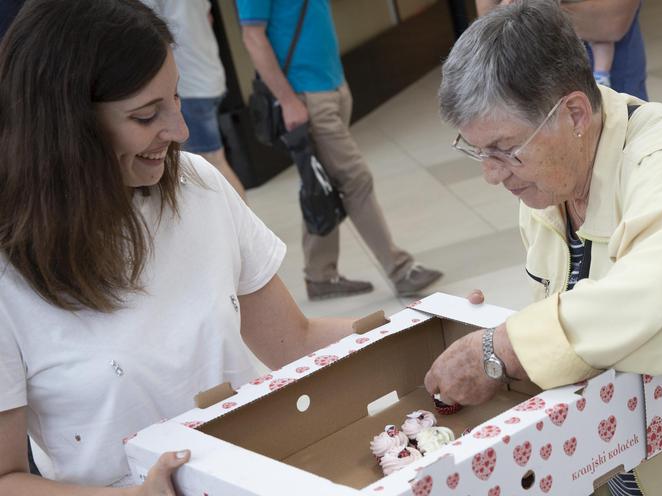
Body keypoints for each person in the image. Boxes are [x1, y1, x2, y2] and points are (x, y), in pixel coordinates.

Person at [0, 0, 355, 492]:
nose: (180, 132)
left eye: (177, 99)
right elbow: (8, 477)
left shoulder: (198, 185)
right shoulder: (9, 272)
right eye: (146, 116)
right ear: (64, 127)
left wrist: (428, 326)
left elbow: (294, 341)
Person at [427, 1, 662, 494]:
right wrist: (498, 334)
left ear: (575, 113)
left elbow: (660, 289)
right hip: (617, 461)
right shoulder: (550, 182)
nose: (492, 173)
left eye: (504, 148)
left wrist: (504, 346)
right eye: (479, 151)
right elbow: (581, 318)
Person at [236, 0, 443, 301]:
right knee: (356, 178)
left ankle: (320, 275)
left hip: (332, 85)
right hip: (305, 96)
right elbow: (252, 37)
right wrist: (288, 99)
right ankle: (400, 269)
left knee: (320, 182)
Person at [141, 0, 247, 201]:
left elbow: (143, 29)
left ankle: (243, 225)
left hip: (190, 87)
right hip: (210, 76)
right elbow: (209, 18)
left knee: (211, 163)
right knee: (214, 161)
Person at [475, 0, 648, 100]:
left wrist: (525, 12)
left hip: (607, 81)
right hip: (527, 78)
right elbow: (490, 21)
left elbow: (610, 23)